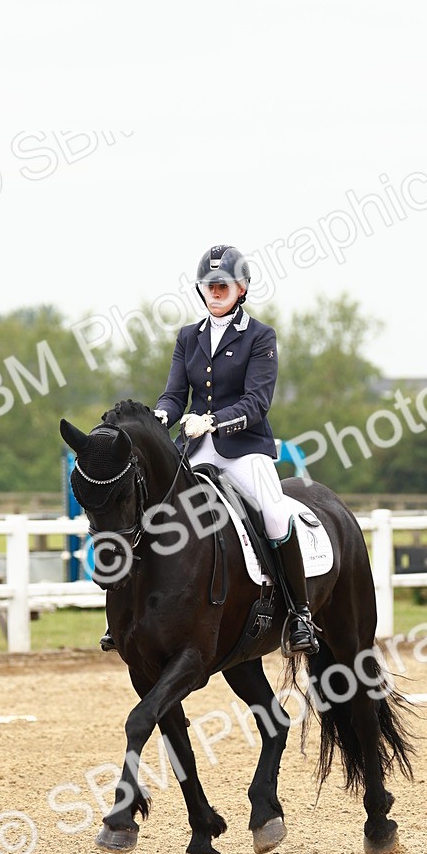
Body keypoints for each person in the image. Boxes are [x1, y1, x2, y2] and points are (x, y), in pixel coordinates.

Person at [100, 243, 318, 655]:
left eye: (223, 285)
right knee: (152, 511)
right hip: (195, 447)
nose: (215, 292)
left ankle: (300, 614)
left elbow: (257, 402)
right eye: (209, 286)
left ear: (241, 288)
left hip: (244, 447)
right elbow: (173, 394)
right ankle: (124, 614)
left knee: (274, 513)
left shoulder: (260, 336)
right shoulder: (188, 337)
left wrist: (215, 420)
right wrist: (162, 417)